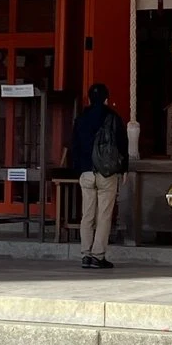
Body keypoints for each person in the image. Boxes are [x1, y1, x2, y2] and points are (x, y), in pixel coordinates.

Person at [66, 84, 129, 270]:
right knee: (104, 215)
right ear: (106, 99)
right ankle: (98, 255)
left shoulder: (81, 119)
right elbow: (122, 145)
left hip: (86, 172)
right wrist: (123, 169)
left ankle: (85, 254)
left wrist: (79, 169)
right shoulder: (113, 118)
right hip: (107, 173)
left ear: (89, 99)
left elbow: (74, 146)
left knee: (87, 215)